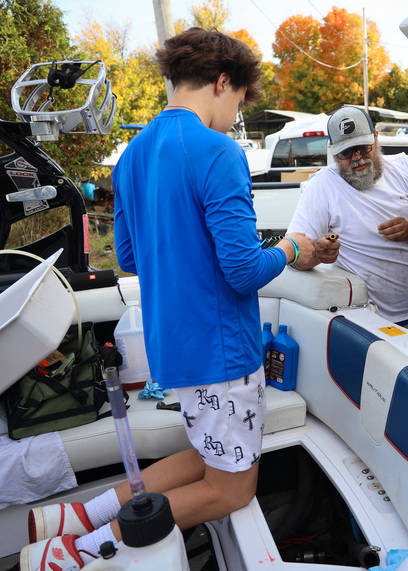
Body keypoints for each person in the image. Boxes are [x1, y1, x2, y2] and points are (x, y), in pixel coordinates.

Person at [19, 27, 314, 570]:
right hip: (223, 355)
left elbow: (128, 256)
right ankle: (75, 552)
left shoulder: (132, 156)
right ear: (223, 81)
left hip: (173, 352)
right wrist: (294, 248)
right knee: (231, 490)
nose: (236, 117)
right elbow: (245, 269)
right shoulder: (218, 150)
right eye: (240, 102)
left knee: (208, 458)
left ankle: (81, 515)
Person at [286, 105, 408, 347]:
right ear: (334, 153)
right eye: (346, 152)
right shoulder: (321, 186)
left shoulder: (405, 166)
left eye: (363, 147)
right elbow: (293, 249)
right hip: (369, 324)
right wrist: (317, 252)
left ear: (376, 139)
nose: (357, 158)